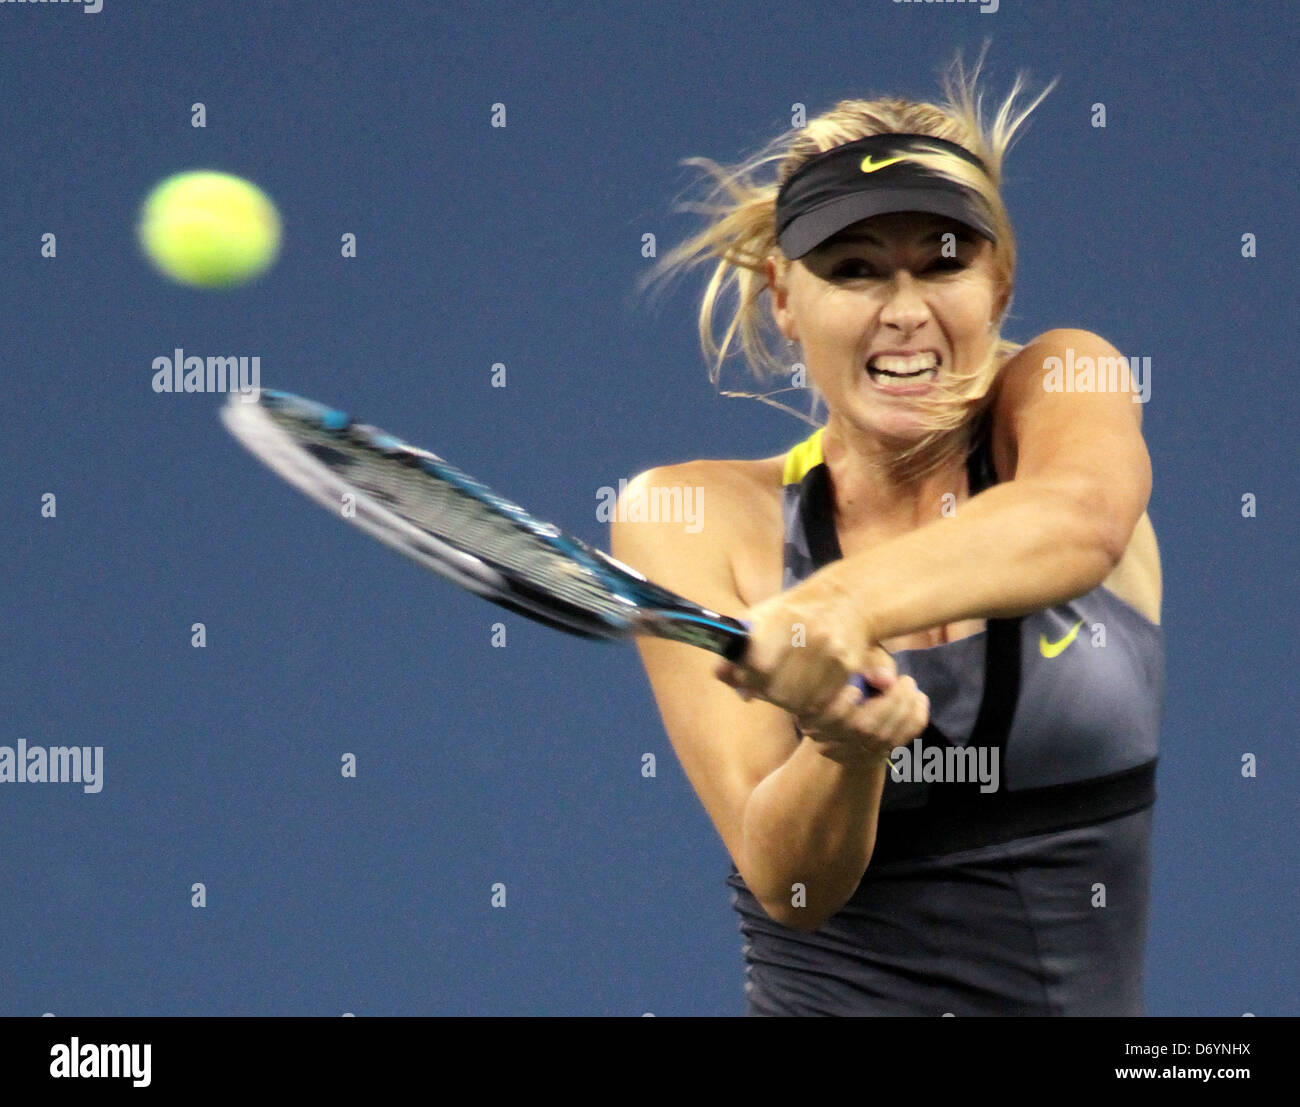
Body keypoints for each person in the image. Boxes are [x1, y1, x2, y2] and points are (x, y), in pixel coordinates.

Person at [611, 52, 1164, 1016]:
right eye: (855, 269)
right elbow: (790, 888)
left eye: (943, 261)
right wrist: (842, 746)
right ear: (785, 299)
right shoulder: (694, 518)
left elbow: (1081, 519)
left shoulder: (1069, 383)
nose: (904, 311)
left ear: (998, 285)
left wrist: (836, 603)